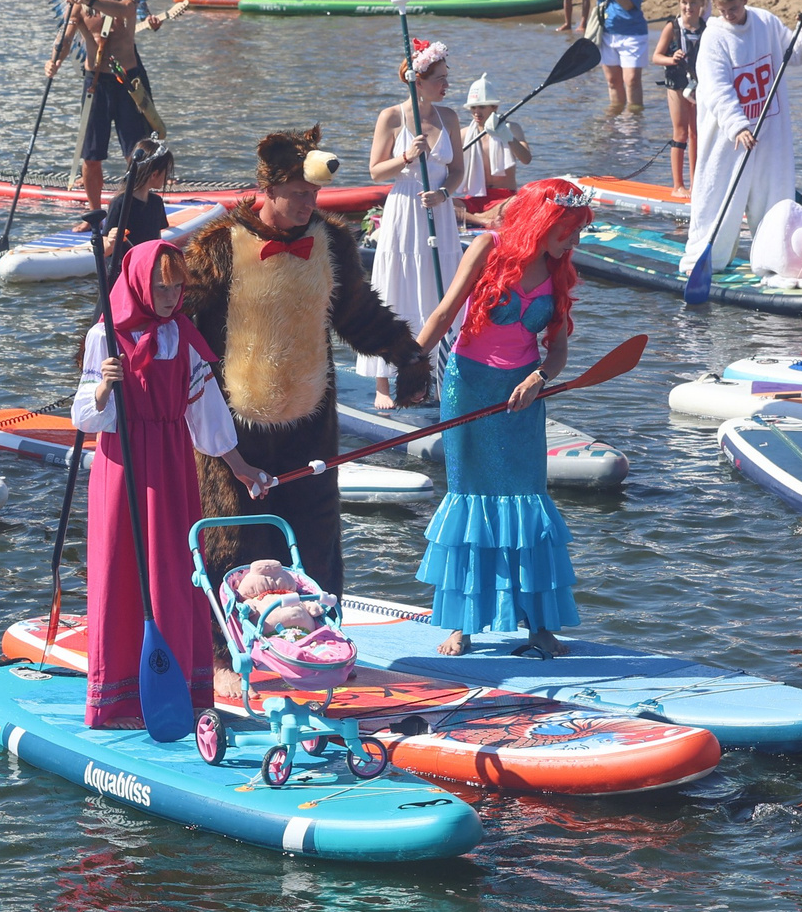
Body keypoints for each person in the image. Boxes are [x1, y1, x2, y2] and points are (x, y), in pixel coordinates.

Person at [178, 127, 432, 597]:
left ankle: (320, 633)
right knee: (232, 545)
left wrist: (407, 354)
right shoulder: (218, 246)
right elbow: (173, 312)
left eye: (313, 193)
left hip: (310, 422)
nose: (307, 204)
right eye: (297, 194)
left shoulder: (331, 242)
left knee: (314, 541)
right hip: (232, 427)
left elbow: (357, 313)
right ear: (267, 190)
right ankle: (222, 651)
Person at [70, 238, 271, 728]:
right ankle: (117, 699)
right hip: (123, 468)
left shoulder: (180, 336)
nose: (169, 298)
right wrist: (102, 387)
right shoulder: (107, 336)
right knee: (122, 571)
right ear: (140, 285)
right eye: (162, 288)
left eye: (176, 288)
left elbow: (208, 415)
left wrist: (241, 468)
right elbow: (83, 418)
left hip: (172, 466)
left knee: (173, 574)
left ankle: (180, 689)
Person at [408, 179, 591, 658]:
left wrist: (539, 379)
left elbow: (559, 352)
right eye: (568, 231)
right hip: (468, 391)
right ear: (544, 222)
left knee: (528, 507)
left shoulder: (558, 273)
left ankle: (538, 626)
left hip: (523, 399)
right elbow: (446, 312)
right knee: (470, 504)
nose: (573, 242)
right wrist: (408, 363)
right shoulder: (488, 248)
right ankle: (461, 626)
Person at [683, 0, 802, 282]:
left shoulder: (766, 22)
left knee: (774, 199)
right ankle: (707, 259)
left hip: (770, 133)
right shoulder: (714, 38)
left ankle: (774, 259)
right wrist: (737, 127)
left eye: (733, 8)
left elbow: (794, 54)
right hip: (728, 140)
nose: (729, 15)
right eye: (722, 10)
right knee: (719, 200)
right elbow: (717, 90)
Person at [359, 38, 467, 408]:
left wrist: (445, 195)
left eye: (446, 77)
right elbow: (375, 172)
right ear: (417, 81)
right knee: (396, 288)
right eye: (439, 78)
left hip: (438, 212)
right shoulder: (391, 117)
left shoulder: (449, 117)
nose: (446, 85)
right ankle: (383, 384)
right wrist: (406, 156)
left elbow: (456, 171)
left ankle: (433, 376)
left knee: (439, 289)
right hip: (405, 210)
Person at [46, 0, 170, 220]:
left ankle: (134, 207)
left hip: (128, 81)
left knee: (137, 152)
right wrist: (53, 62)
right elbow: (65, 38)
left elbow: (124, 11)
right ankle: (94, 214)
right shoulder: (76, 5)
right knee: (91, 156)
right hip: (96, 84)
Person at [578, 0, 649, 111]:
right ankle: (616, 114)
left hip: (632, 34)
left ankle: (634, 117)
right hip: (607, 34)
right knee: (612, 81)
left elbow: (629, 5)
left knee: (631, 80)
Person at [652, 0, 707, 191]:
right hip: (676, 85)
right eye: (684, 3)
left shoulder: (707, 28)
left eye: (693, 4)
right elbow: (656, 57)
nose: (688, 8)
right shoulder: (672, 28)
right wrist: (671, 58)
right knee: (681, 133)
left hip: (698, 87)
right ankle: (677, 186)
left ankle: (696, 184)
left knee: (696, 134)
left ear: (701, 5)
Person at [456, 78, 532, 218]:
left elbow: (526, 159)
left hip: (504, 198)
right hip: (474, 198)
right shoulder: (464, 134)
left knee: (518, 203)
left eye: (482, 107)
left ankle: (475, 218)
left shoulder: (511, 128)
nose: (477, 112)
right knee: (443, 204)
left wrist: (508, 137)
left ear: (494, 107)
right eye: (473, 107)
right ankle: (481, 219)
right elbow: (447, 166)